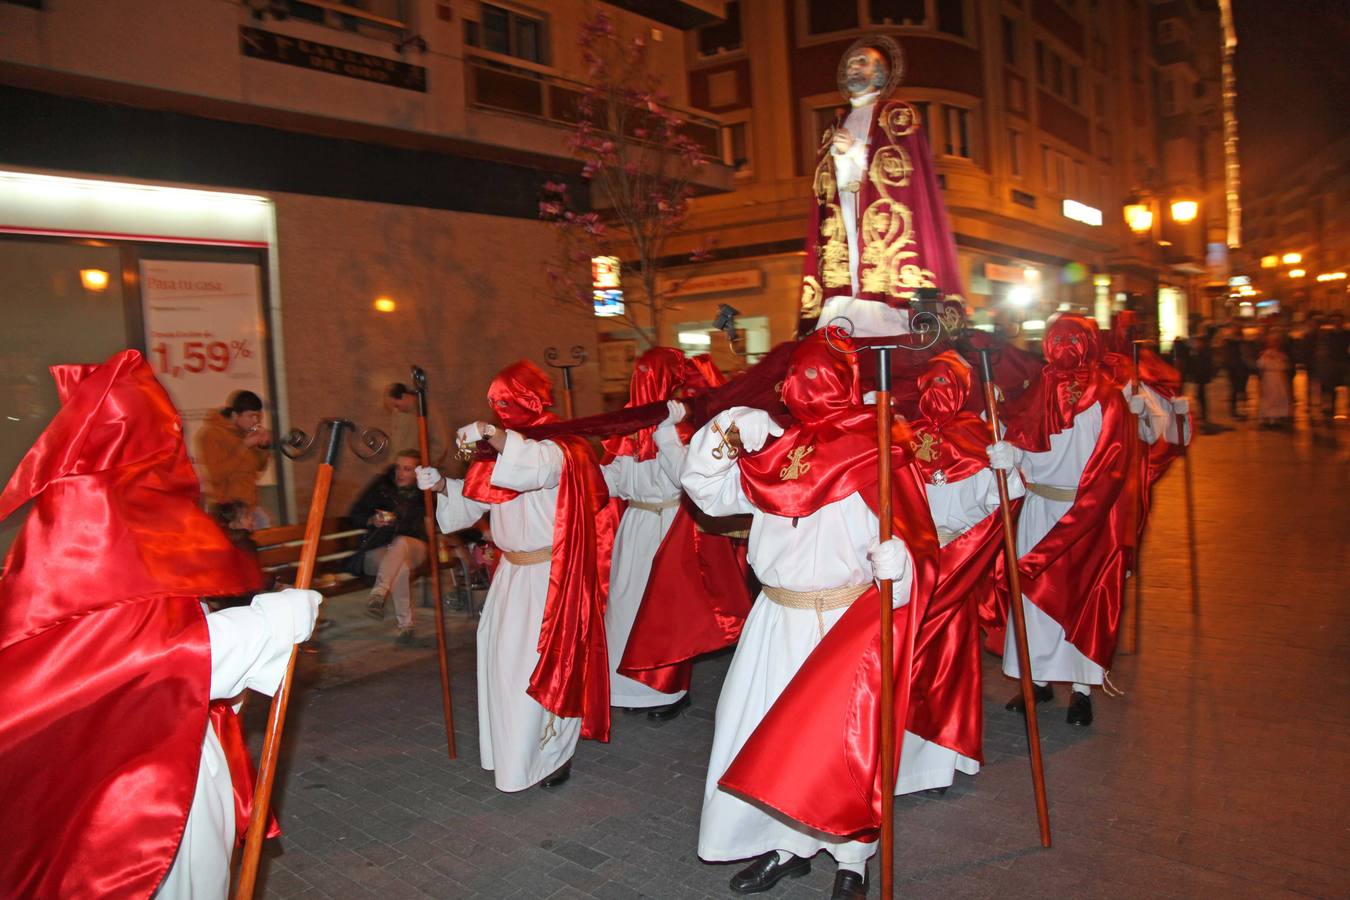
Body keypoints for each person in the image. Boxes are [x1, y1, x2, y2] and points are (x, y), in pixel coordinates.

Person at [0, 349, 321, 900]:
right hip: (142, 782)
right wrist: (272, 621)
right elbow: (150, 659)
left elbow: (138, 630)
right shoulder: (101, 519)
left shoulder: (92, 511)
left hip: (138, 753)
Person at [682, 332, 937, 900]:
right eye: (794, 376)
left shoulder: (876, 451)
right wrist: (727, 432)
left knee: (843, 745)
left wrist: (901, 569)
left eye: (814, 375)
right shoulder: (774, 454)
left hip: (844, 624)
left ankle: (852, 858)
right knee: (756, 732)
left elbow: (918, 546)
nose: (801, 387)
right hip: (774, 620)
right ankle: (784, 844)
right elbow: (704, 492)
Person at [416, 361, 614, 792]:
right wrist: (441, 487)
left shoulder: (563, 445)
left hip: (551, 578)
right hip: (510, 578)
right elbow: (472, 506)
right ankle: (512, 758)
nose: (500, 411)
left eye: (506, 402)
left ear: (529, 399)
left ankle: (551, 756)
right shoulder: (501, 454)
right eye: (494, 405)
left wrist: (493, 435)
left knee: (541, 669)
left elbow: (537, 467)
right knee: (503, 667)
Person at [999, 315, 1178, 727]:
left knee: (1082, 599)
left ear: (1089, 343)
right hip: (1038, 509)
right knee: (1031, 601)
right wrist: (1010, 456)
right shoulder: (1038, 390)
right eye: (1056, 338)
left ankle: (1081, 691)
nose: (1063, 345)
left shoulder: (1109, 397)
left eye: (1072, 338)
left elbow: (1115, 465)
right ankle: (1037, 680)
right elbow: (1020, 438)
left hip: (1084, 515)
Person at [799, 35, 964, 338]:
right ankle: (845, 300)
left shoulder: (897, 115)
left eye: (862, 61)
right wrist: (840, 158)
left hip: (880, 214)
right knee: (846, 248)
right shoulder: (834, 125)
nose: (852, 67)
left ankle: (880, 308)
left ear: (879, 74)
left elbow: (906, 171)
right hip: (846, 211)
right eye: (849, 63)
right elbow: (824, 190)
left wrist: (855, 150)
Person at [600, 347, 696, 719]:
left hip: (670, 523)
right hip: (636, 523)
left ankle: (669, 691)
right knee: (626, 607)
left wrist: (666, 432)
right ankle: (628, 689)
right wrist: (579, 473)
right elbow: (617, 478)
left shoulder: (683, 422)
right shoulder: (630, 421)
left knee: (665, 612)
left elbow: (685, 477)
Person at [354, 449, 430, 644]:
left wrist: (397, 522)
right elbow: (355, 514)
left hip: (414, 546)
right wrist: (372, 519)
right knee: (400, 567)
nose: (401, 473)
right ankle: (406, 626)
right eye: (398, 467)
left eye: (407, 469)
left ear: (417, 473)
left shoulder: (425, 491)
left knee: (401, 542)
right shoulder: (381, 486)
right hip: (380, 549)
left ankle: (379, 592)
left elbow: (426, 523)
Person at [195, 389, 272, 530]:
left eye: (258, 417)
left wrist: (263, 447)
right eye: (251, 416)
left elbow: (258, 467)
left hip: (250, 507)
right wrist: (243, 445)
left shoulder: (245, 433)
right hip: (229, 512)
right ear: (235, 415)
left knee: (266, 530)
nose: (255, 421)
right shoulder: (212, 434)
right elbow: (216, 474)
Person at [385, 381, 450, 468]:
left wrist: (422, 465)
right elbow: (395, 443)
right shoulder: (398, 413)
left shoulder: (426, 411)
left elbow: (440, 445)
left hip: (417, 471)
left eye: (396, 405)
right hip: (399, 468)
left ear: (404, 396)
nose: (395, 410)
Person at [1256, 335, 1293, 428]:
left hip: (1279, 378)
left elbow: (1286, 365)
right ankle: (1268, 417)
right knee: (1269, 396)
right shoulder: (1265, 354)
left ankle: (1278, 416)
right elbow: (1260, 365)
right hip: (1269, 378)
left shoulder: (1281, 354)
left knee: (1279, 396)